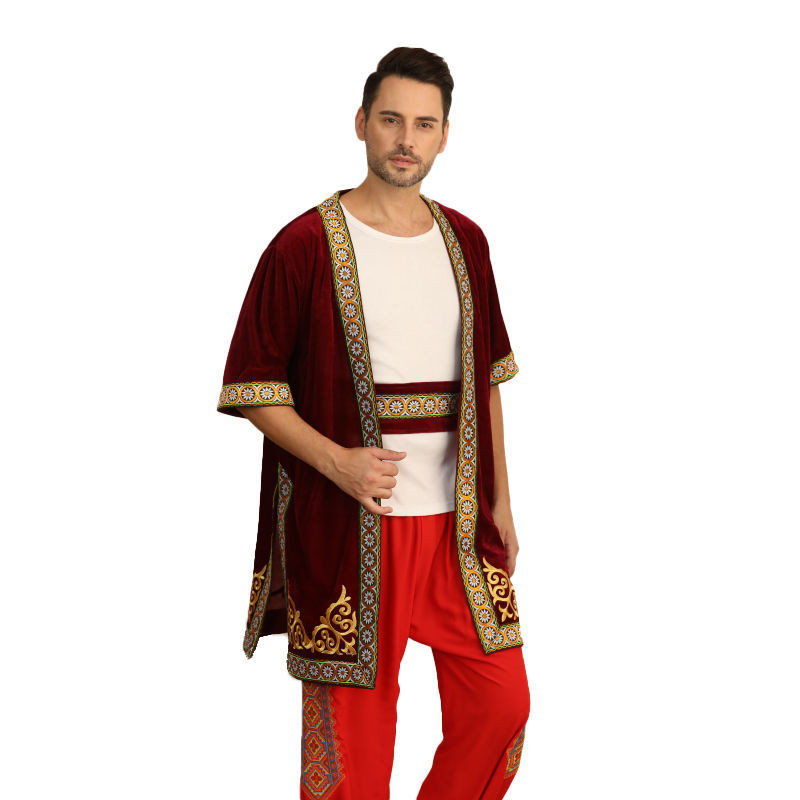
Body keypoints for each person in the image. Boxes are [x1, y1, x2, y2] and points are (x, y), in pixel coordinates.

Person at [217, 46, 530, 799]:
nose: (405, 139)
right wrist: (338, 461)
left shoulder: (467, 241)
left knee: (502, 706)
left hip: (456, 527)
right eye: (391, 119)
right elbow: (252, 386)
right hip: (351, 525)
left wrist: (501, 501)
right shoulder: (303, 244)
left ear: (445, 135)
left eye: (424, 124)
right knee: (353, 751)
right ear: (361, 123)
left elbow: (486, 381)